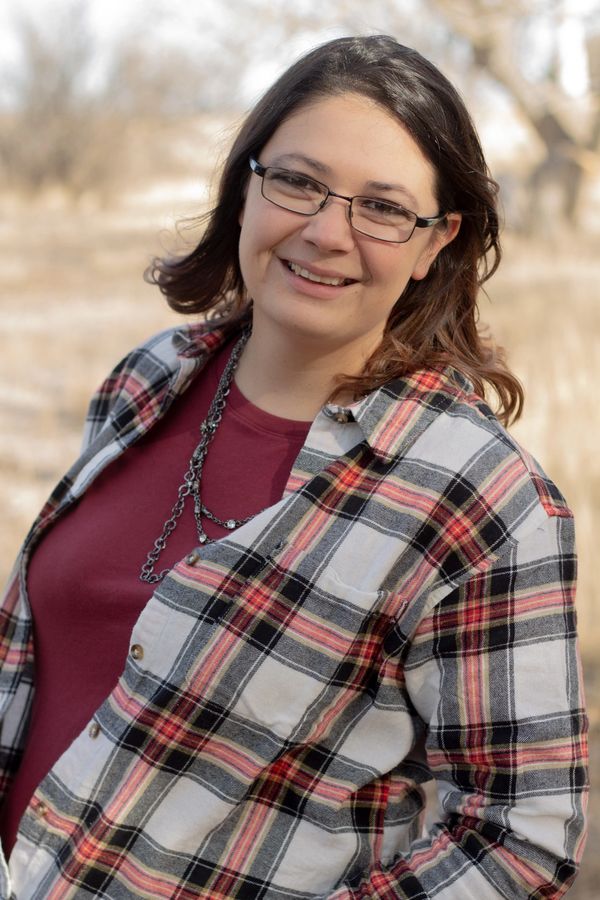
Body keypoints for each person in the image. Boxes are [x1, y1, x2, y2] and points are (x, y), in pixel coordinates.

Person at [0, 34, 588, 899]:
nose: (325, 232)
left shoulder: (479, 499)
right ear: (248, 185)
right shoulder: (149, 377)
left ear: (436, 242)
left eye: (383, 207)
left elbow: (518, 835)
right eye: (300, 182)